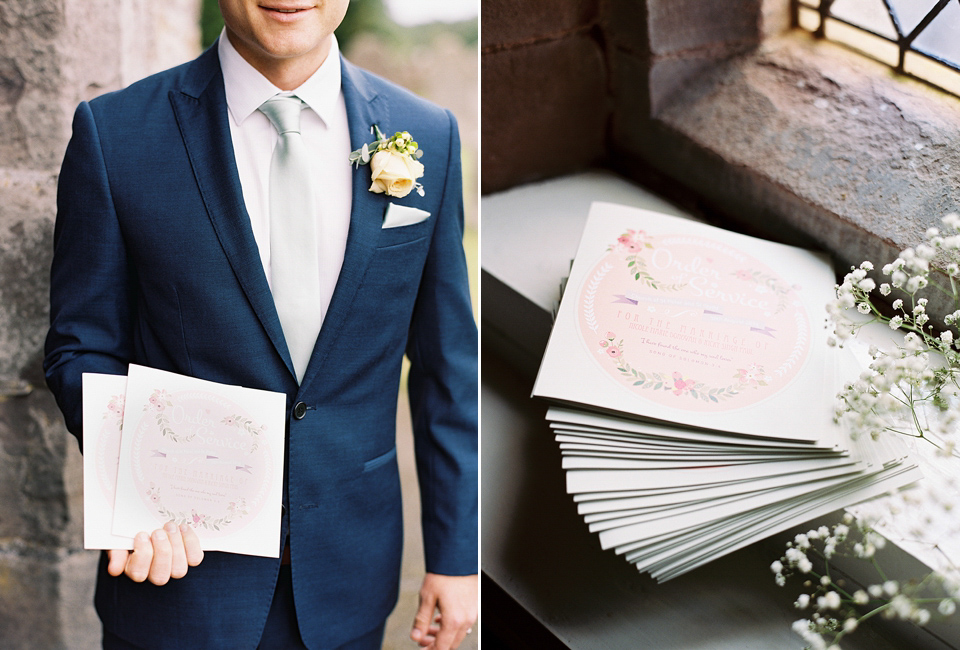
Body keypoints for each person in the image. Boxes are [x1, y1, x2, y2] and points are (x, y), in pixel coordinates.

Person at [42, 1, 478, 648]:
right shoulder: (115, 135)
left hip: (350, 582)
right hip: (179, 586)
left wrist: (457, 552)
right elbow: (82, 346)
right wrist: (137, 484)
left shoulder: (429, 136)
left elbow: (448, 368)